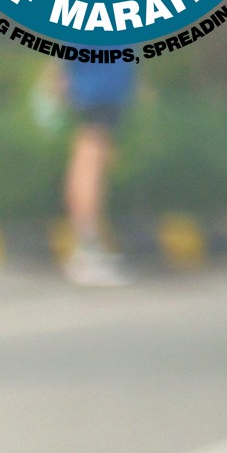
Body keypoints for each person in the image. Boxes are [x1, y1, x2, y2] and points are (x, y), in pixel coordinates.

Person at [59, 53, 137, 287]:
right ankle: (86, 250)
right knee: (90, 166)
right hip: (98, 90)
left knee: (93, 164)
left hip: (104, 89)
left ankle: (89, 247)